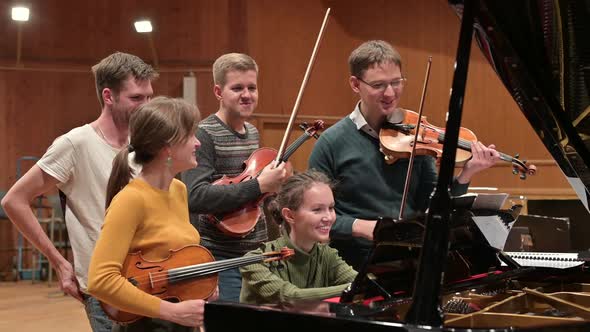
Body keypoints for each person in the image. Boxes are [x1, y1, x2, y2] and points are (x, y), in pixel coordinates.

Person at [308, 40, 500, 270]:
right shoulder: (331, 143)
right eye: (378, 85)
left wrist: (466, 173)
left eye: (396, 82)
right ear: (355, 84)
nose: (390, 93)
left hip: (412, 257)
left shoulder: (415, 135)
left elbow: (430, 202)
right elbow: (312, 216)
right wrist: (360, 226)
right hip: (356, 263)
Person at [1, 52, 157, 331]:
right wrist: (59, 263)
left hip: (150, 281)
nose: (146, 106)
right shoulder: (75, 144)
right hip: (105, 289)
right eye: (136, 98)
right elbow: (14, 201)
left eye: (148, 97)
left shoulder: (144, 145)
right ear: (108, 96)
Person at [87, 96, 215, 331]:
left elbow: (169, 257)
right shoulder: (131, 199)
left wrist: (199, 285)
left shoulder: (178, 189)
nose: (198, 143)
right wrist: (171, 311)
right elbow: (100, 281)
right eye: (190, 136)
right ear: (167, 147)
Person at [183, 53, 287, 302]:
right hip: (220, 257)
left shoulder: (251, 132)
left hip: (255, 253)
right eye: (237, 88)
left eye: (252, 87)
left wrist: (271, 193)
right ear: (219, 91)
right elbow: (195, 196)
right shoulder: (204, 134)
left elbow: (254, 196)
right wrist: (258, 185)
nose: (247, 94)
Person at [240, 170, 357, 304]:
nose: (329, 217)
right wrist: (353, 288)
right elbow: (291, 297)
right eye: (317, 209)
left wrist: (362, 285)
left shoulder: (327, 255)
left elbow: (364, 283)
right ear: (290, 216)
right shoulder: (254, 261)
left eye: (331, 208)